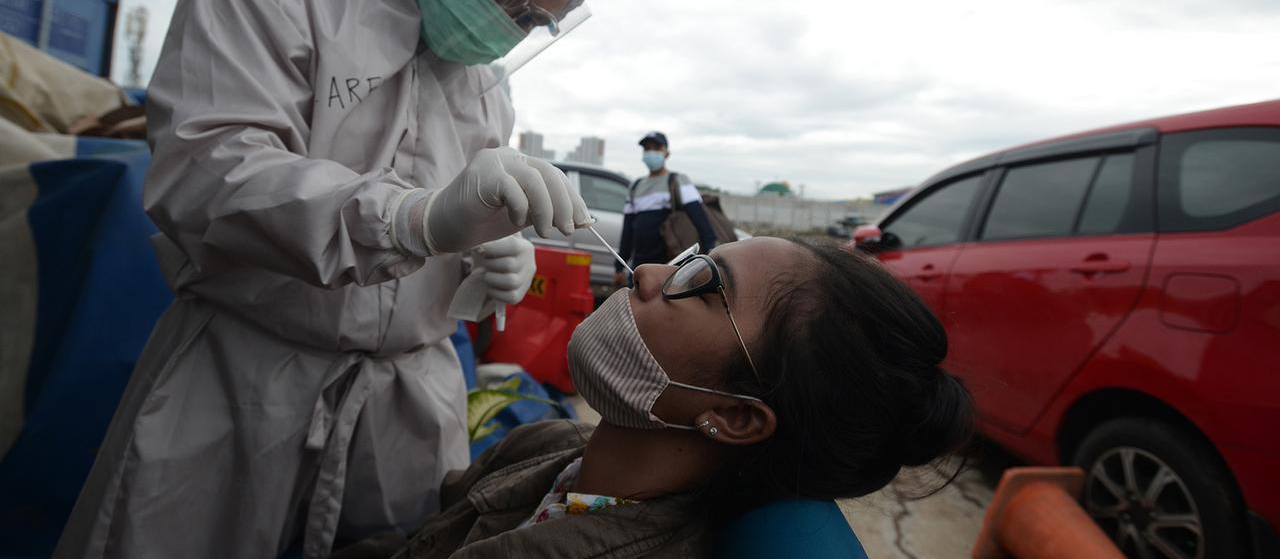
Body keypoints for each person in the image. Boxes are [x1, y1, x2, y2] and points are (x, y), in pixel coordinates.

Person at [55, 0, 597, 559]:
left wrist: (488, 260)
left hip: (407, 403)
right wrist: (412, 219)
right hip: (243, 383)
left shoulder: (484, 88)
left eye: (530, 19)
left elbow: (460, 220)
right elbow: (211, 175)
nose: (504, 20)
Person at [335, 237, 976, 558]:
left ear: (732, 414)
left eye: (699, 283)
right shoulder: (548, 445)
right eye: (687, 259)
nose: (642, 272)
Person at [614, 131, 719, 285]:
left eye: (656, 148)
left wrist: (712, 251)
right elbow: (628, 230)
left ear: (666, 153)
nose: (651, 152)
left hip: (671, 264)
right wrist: (618, 267)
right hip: (639, 265)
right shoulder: (635, 186)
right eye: (647, 148)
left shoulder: (677, 181)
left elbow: (700, 219)